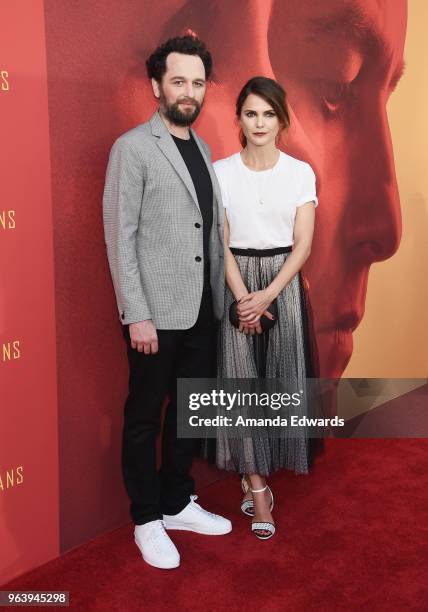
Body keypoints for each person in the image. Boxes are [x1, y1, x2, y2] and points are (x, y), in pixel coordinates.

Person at [103, 35, 231, 570]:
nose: (189, 91)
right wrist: (138, 313)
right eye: (178, 81)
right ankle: (146, 518)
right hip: (155, 315)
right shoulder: (133, 148)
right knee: (144, 418)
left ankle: (178, 501)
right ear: (156, 86)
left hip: (204, 310)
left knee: (190, 414)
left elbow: (209, 232)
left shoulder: (201, 148)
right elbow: (120, 234)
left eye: (197, 82)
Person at [214, 76, 319, 540]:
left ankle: (259, 470)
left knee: (277, 385)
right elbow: (220, 242)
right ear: (238, 118)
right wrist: (242, 300)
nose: (259, 122)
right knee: (241, 388)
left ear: (282, 120)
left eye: (268, 114)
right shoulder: (220, 172)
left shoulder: (300, 173)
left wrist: (268, 295)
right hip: (235, 279)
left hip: (283, 284)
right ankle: (258, 490)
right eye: (251, 113)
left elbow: (303, 245)